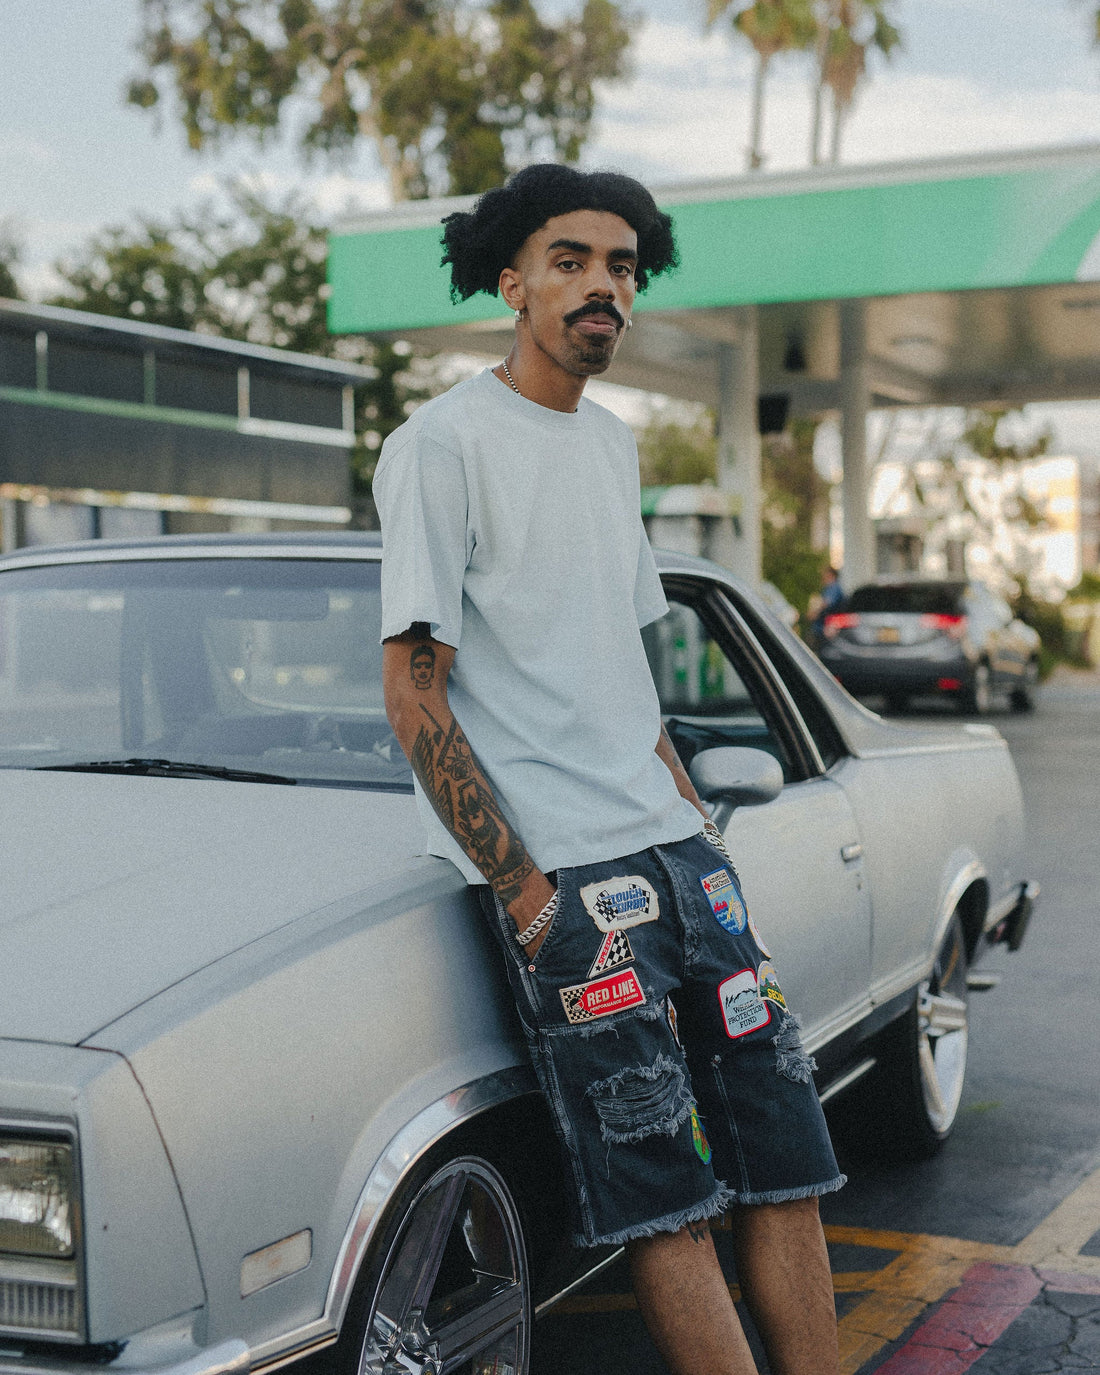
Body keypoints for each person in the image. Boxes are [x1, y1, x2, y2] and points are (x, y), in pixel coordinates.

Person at [375, 163, 844, 1375]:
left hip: (680, 857)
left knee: (785, 1158)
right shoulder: (439, 446)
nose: (603, 286)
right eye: (572, 260)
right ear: (510, 282)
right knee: (664, 1193)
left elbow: (616, 663)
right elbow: (413, 689)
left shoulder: (613, 447)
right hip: (569, 883)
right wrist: (524, 890)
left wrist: (686, 806)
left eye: (623, 265)